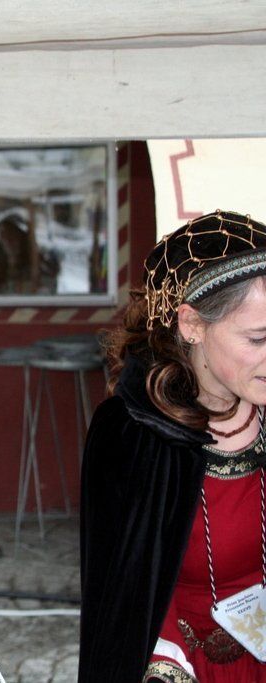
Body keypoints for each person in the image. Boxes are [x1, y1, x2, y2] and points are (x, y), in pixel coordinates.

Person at [80, 210, 266, 682]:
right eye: (257, 338)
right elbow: (126, 595)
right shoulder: (133, 434)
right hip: (184, 664)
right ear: (192, 324)